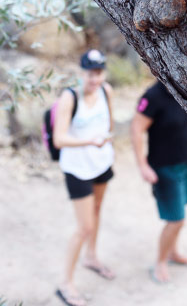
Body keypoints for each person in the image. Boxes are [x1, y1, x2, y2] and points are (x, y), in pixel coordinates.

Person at [53, 49, 115, 306]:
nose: (95, 79)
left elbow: (109, 125)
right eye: (91, 74)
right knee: (84, 227)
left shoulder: (106, 91)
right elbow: (59, 139)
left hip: (101, 163)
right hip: (77, 169)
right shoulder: (70, 97)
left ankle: (91, 257)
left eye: (99, 73)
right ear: (82, 72)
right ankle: (65, 283)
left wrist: (104, 142)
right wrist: (89, 141)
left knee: (98, 210)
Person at [131, 80, 187, 284]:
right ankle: (160, 262)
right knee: (175, 219)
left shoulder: (185, 85)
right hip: (165, 168)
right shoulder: (153, 96)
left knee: (180, 215)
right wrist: (142, 165)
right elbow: (136, 129)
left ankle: (173, 252)